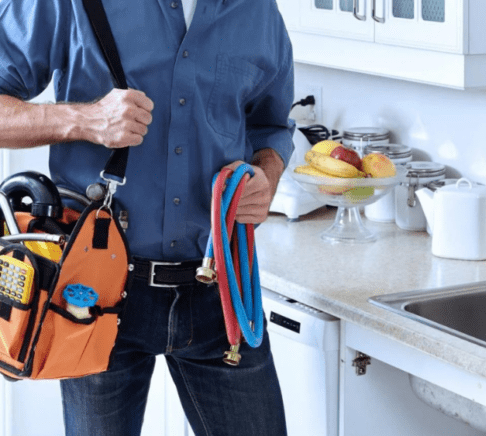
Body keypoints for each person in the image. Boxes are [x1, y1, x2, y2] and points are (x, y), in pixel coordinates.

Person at [0, 0, 294, 434]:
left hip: (220, 290)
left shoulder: (257, 10)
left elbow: (269, 127)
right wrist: (86, 120)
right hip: (94, 290)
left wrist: (265, 177)